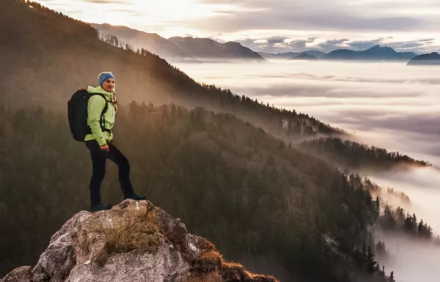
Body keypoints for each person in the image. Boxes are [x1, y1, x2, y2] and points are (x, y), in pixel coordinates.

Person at [84, 71, 145, 212]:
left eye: (113, 82)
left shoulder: (108, 98)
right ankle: (128, 194)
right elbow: (93, 121)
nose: (111, 84)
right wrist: (102, 142)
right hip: (96, 139)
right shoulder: (98, 99)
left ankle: (95, 204)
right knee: (123, 163)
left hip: (98, 139)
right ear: (101, 83)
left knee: (98, 172)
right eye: (107, 81)